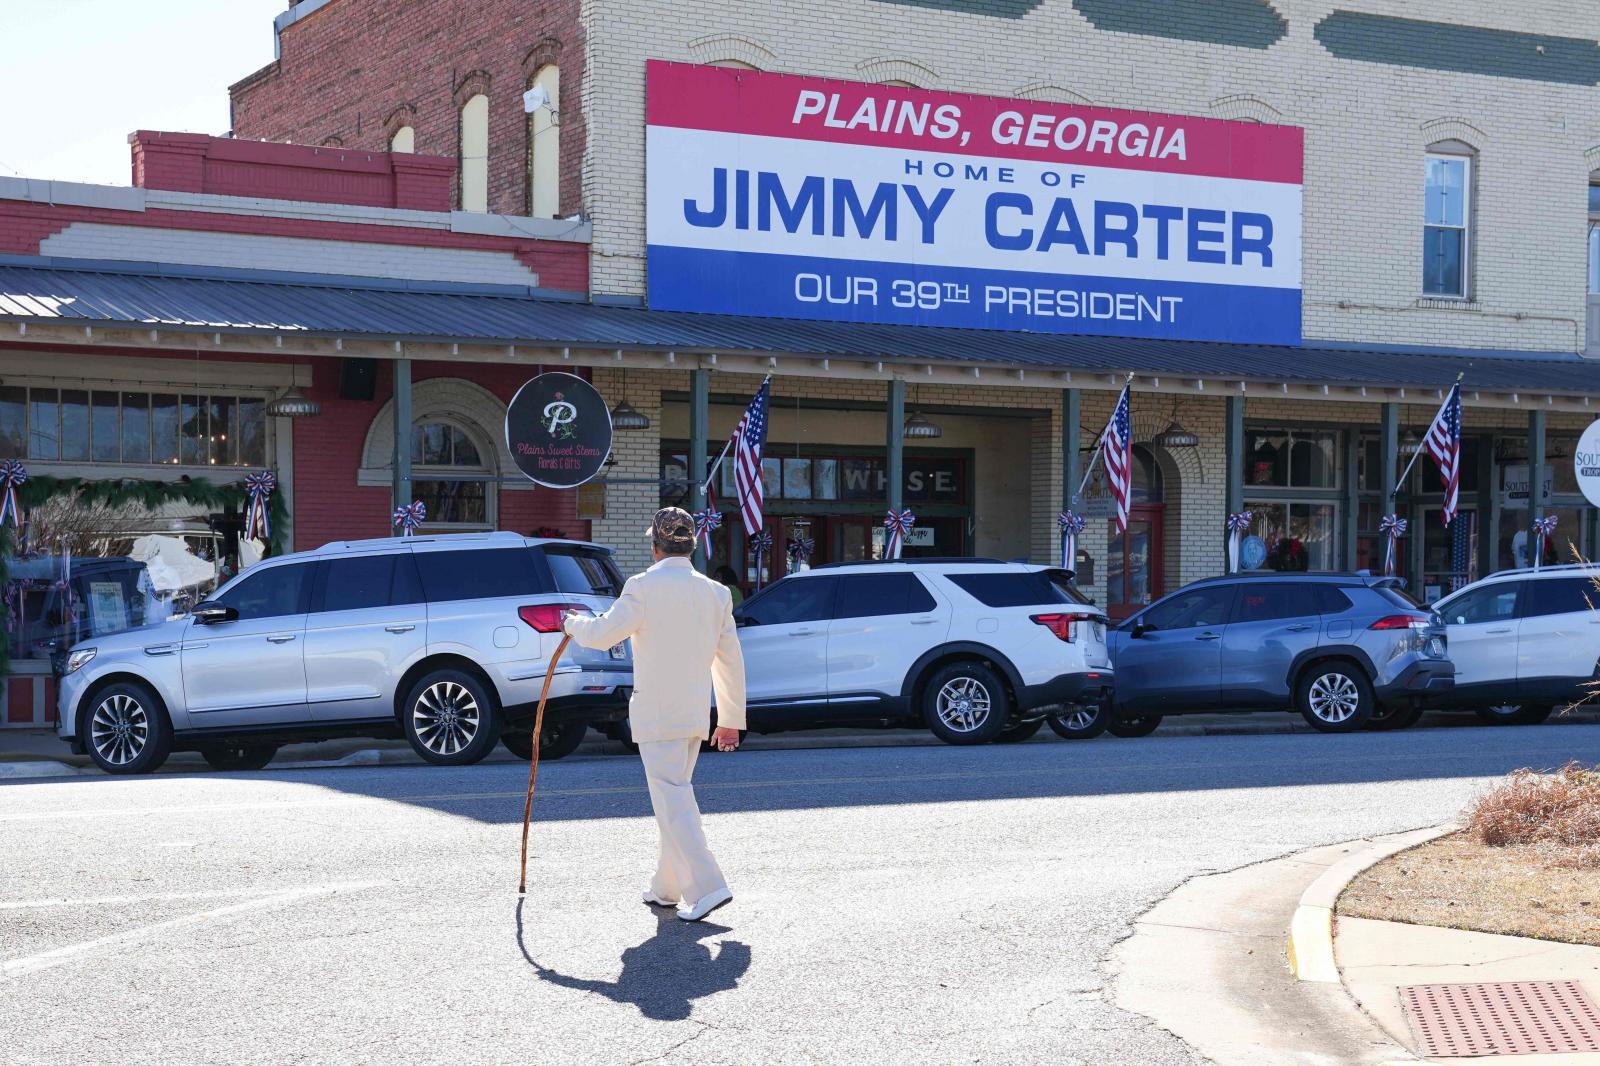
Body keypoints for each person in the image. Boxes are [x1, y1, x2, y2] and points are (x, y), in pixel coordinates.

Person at [562, 506, 747, 922]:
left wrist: (571, 623)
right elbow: (730, 661)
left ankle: (708, 887)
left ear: (655, 546)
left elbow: (602, 634)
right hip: (695, 713)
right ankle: (666, 889)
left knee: (673, 800)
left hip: (656, 714)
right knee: (673, 797)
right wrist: (731, 718)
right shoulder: (716, 593)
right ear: (692, 547)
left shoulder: (642, 586)